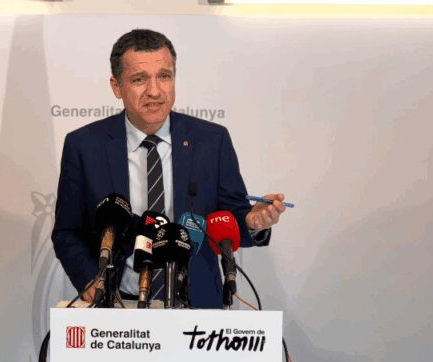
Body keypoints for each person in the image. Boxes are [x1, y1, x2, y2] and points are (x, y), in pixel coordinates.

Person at [51, 29, 286, 308]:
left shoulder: (211, 141)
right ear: (116, 86)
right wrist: (92, 280)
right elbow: (67, 232)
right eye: (139, 79)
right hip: (118, 306)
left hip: (196, 304)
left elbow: (228, 220)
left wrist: (250, 222)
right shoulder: (84, 146)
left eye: (164, 76)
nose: (154, 91)